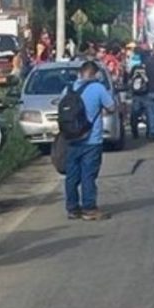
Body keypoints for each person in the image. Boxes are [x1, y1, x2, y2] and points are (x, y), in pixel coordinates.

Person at [62, 61, 116, 221]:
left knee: (71, 175)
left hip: (71, 139)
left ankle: (72, 209)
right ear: (95, 74)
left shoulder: (68, 89)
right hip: (91, 139)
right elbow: (111, 107)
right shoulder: (98, 88)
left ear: (80, 73)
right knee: (88, 175)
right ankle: (89, 208)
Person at [128, 50, 150, 140]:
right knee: (149, 114)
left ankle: (134, 132)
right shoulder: (148, 67)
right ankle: (149, 133)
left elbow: (129, 80)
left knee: (135, 114)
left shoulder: (135, 67)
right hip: (146, 93)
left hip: (136, 94)